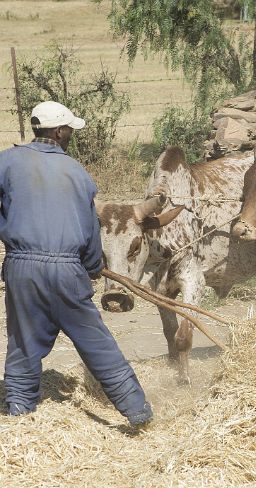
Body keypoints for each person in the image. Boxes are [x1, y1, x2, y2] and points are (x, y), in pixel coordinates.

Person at [0, 101, 153, 426]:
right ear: (58, 131)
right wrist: (92, 264)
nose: (71, 135)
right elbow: (89, 231)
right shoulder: (78, 175)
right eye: (69, 129)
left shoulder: (7, 161)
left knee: (23, 341)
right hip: (67, 269)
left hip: (22, 268)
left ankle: (17, 412)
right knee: (95, 341)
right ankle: (137, 412)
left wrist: (9, 233)